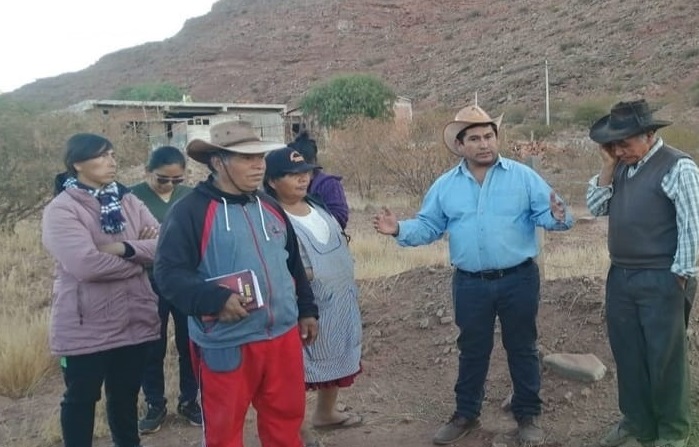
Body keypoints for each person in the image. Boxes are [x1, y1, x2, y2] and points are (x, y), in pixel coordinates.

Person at [372, 105, 573, 445]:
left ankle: (528, 415)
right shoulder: (445, 186)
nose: (484, 144)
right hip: (470, 283)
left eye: (489, 136)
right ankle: (466, 414)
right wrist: (398, 229)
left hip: (519, 279)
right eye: (475, 138)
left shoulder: (523, 177)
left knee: (522, 347)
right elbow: (429, 226)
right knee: (472, 349)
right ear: (461, 145)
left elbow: (551, 214)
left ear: (497, 139)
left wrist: (558, 215)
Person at [153, 121, 319, 447]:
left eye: (260, 157)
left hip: (282, 338)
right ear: (217, 162)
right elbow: (167, 274)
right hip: (226, 343)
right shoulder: (189, 211)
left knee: (285, 423)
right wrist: (213, 299)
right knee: (223, 432)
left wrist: (307, 308)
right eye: (246, 158)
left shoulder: (270, 205)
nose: (259, 166)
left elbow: (292, 263)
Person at [586, 100, 699, 447]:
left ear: (649, 135)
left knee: (664, 358)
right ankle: (637, 422)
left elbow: (693, 227)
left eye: (626, 142)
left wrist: (678, 279)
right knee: (628, 353)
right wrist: (607, 166)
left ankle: (673, 432)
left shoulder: (678, 167)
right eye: (613, 145)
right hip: (621, 276)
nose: (619, 150)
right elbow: (595, 206)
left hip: (663, 276)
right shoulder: (620, 167)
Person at [42, 133, 161, 447]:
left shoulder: (127, 200)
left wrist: (122, 247)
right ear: (77, 163)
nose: (112, 161)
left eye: (112, 154)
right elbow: (86, 265)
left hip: (134, 320)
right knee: (80, 399)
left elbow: (162, 245)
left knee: (125, 398)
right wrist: (139, 258)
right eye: (101, 155)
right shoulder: (62, 209)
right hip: (85, 325)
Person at [263, 147, 363, 447]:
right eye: (293, 175)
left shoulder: (317, 205)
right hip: (304, 304)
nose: (302, 179)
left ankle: (326, 412)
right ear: (271, 182)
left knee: (337, 354)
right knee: (297, 370)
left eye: (305, 172)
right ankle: (298, 430)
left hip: (340, 299)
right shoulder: (271, 217)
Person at [130, 146, 200, 433]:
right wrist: (140, 242)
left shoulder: (191, 197)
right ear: (147, 171)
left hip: (186, 281)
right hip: (148, 281)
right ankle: (155, 404)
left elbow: (198, 236)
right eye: (163, 179)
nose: (170, 185)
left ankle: (189, 402)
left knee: (189, 343)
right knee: (152, 346)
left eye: (177, 180)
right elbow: (123, 242)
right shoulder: (130, 198)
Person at [289, 130, 350, 229]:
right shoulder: (285, 183)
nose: (302, 178)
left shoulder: (329, 185)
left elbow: (340, 218)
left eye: (305, 170)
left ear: (313, 163)